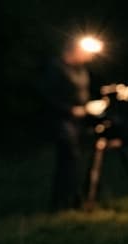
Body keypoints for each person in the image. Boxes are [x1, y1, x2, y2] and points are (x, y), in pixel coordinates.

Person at [39, 35, 108, 211]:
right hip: (62, 121)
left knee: (79, 160)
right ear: (74, 50)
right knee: (68, 160)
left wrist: (90, 106)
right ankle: (61, 203)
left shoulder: (81, 70)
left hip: (81, 122)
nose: (89, 57)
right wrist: (70, 110)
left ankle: (79, 199)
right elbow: (47, 97)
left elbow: (81, 94)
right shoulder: (56, 69)